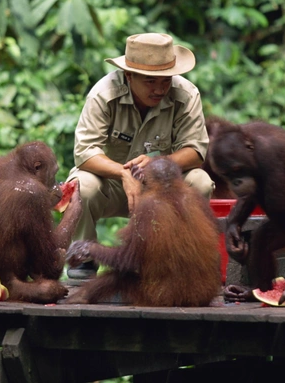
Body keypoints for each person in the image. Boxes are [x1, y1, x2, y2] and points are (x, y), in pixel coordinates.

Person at [66, 32, 214, 279]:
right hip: (114, 186)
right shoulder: (103, 94)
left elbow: (196, 150)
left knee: (199, 181)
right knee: (81, 185)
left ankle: (181, 259)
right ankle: (83, 260)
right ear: (129, 75)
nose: (159, 89)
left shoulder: (186, 94)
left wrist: (160, 164)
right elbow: (85, 152)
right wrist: (123, 174)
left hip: (164, 187)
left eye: (165, 80)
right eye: (149, 81)